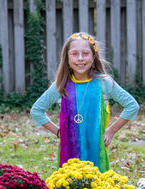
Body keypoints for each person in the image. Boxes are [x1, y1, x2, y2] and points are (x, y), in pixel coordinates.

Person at [30, 32, 139, 172]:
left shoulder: (104, 83)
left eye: (86, 53)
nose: (80, 58)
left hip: (95, 150)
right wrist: (59, 132)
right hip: (69, 152)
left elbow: (132, 106)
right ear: (67, 58)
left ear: (93, 57)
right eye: (74, 53)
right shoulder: (61, 85)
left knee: (97, 187)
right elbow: (37, 110)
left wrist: (111, 131)